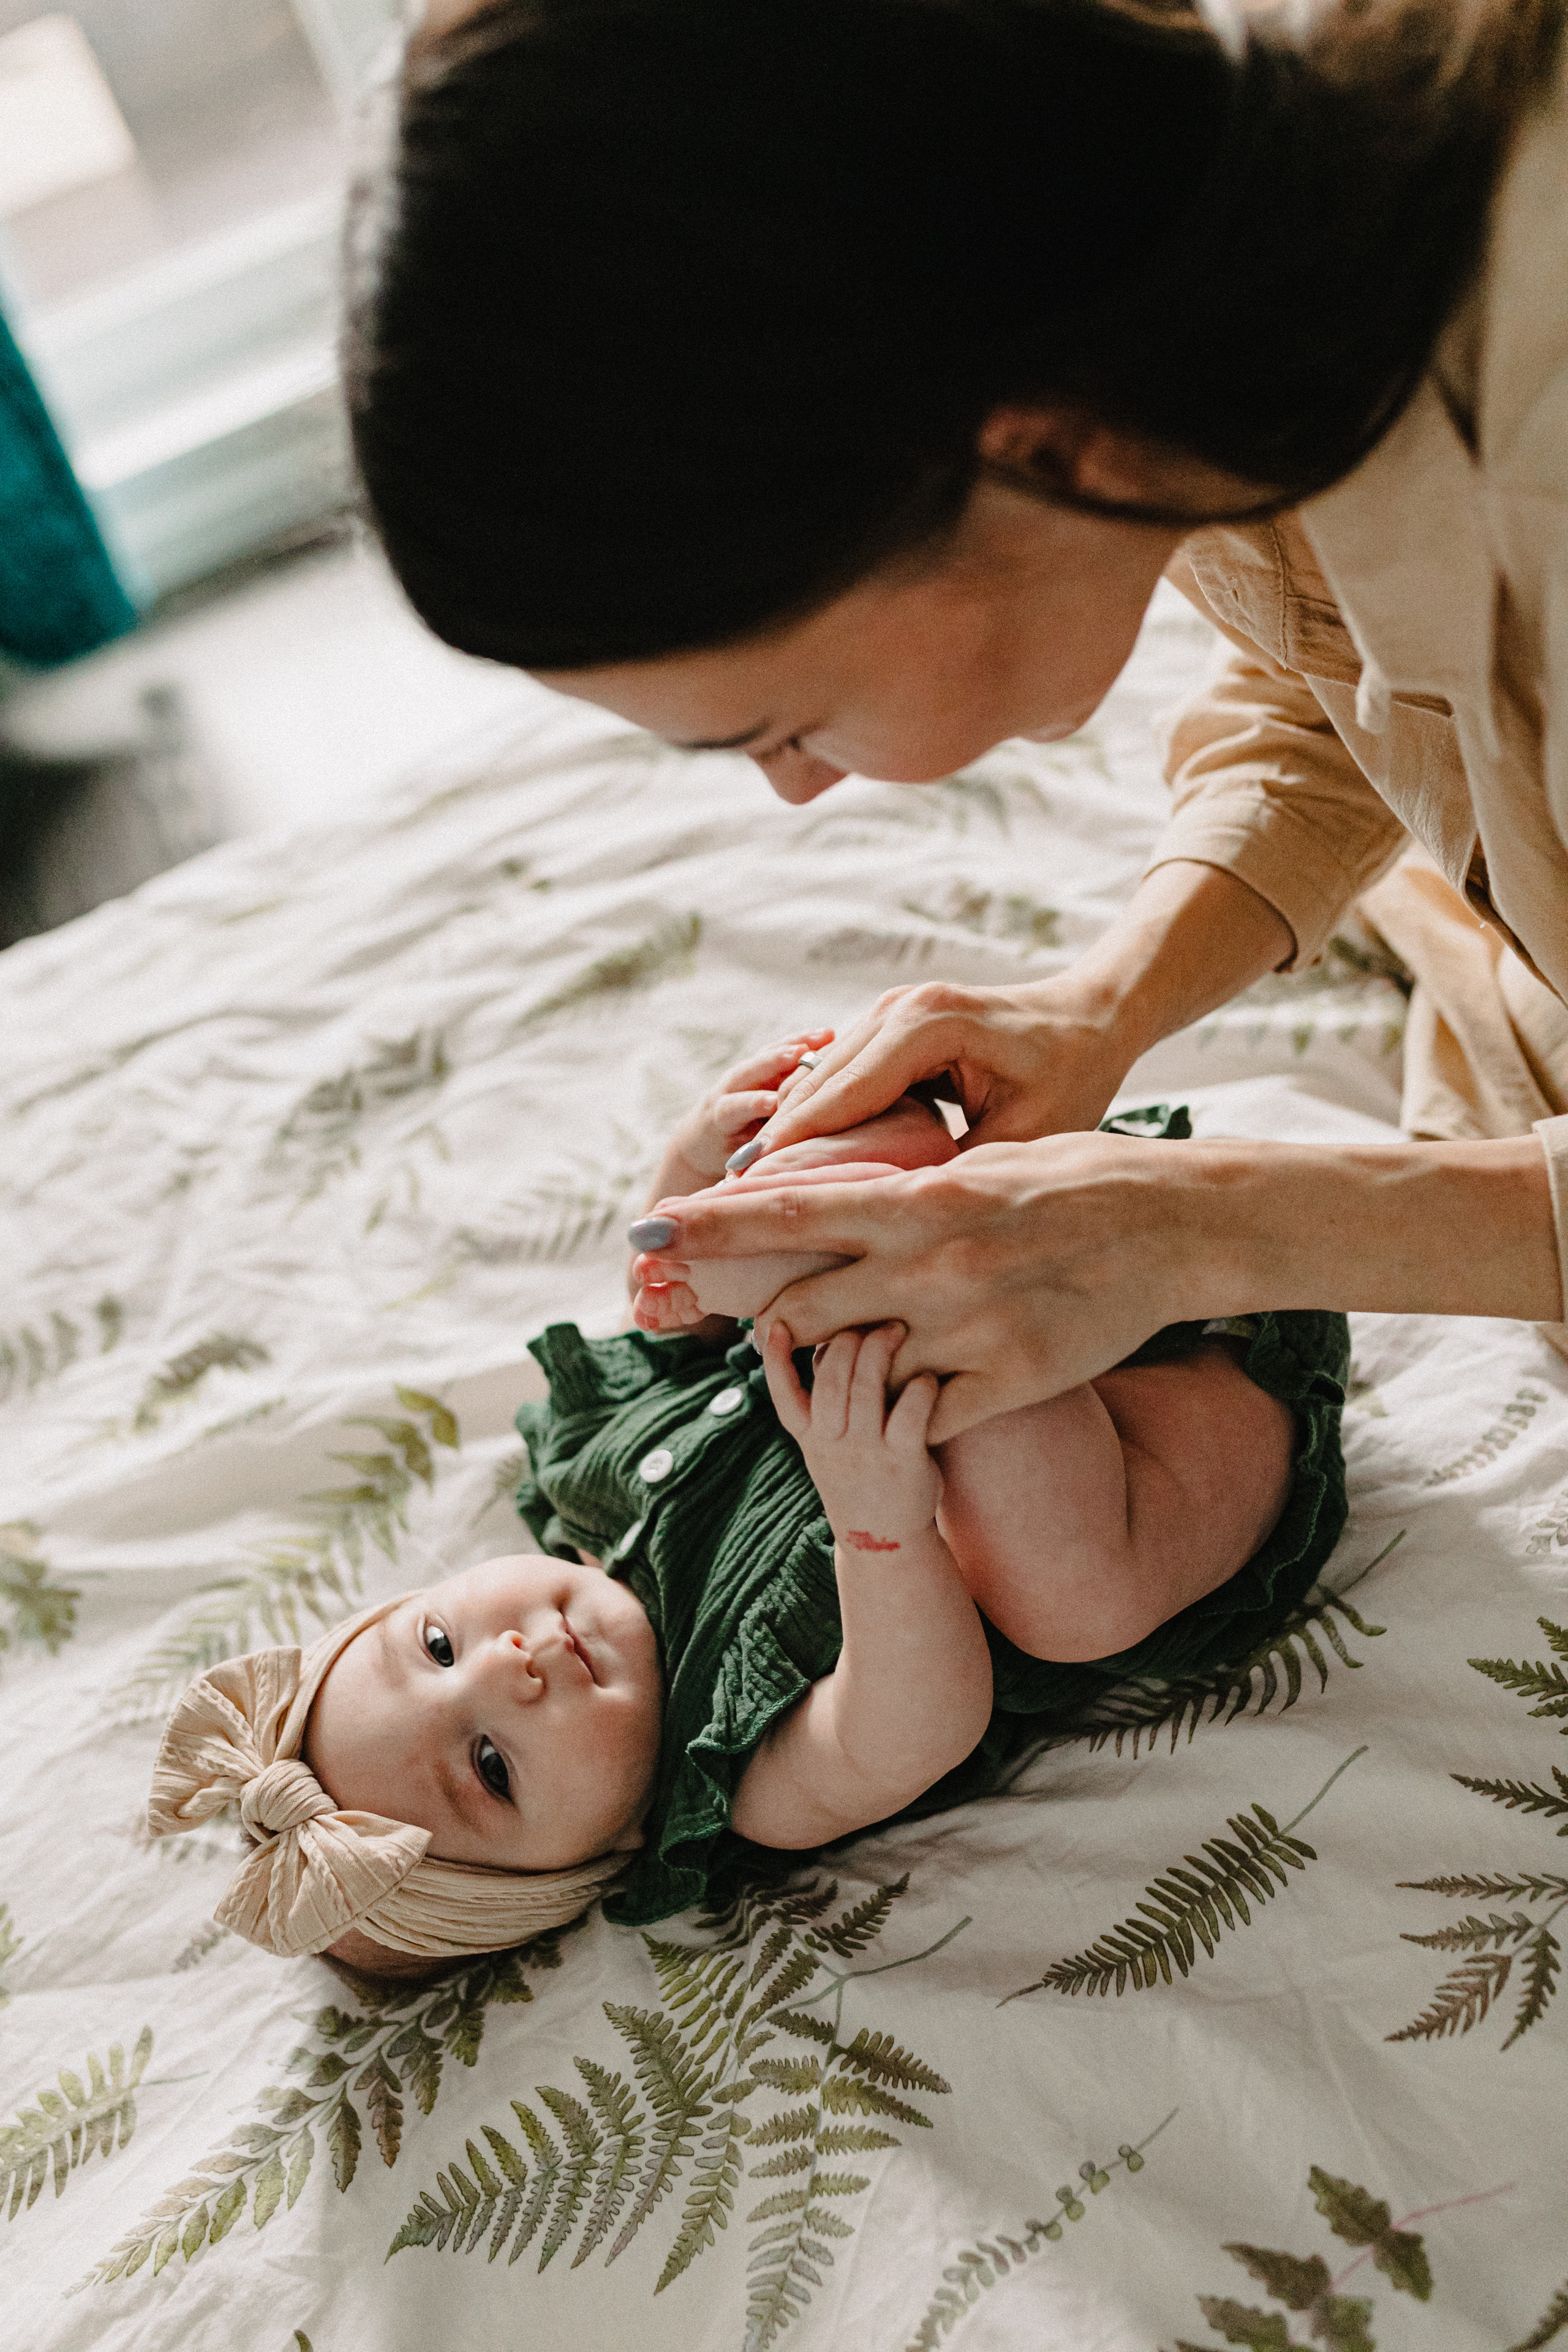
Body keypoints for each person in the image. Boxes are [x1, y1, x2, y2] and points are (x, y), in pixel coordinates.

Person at [345, 0, 1568, 1436]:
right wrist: (1100, 1008)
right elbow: (1367, 672)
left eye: (782, 726)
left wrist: (1200, 1226)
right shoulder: (1156, 281)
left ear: (1032, 455)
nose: (799, 790)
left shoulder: (1528, 433)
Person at [146, 1040, 1348, 1973]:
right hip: (1172, 1439)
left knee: (712, 1268)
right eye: (494, 1767)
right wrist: (879, 1524)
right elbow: (914, 1724)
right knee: (1064, 1599)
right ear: (598, 1861)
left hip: (1075, 1273)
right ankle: (898, 1212)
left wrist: (690, 1178)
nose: (508, 1669)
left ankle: (888, 1199)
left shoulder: (590, 1472)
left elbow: (664, 1331)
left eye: (437, 1645)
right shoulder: (747, 1779)